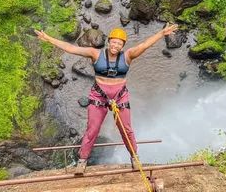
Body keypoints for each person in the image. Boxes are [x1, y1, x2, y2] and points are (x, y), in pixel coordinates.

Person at [34, 23, 179, 174]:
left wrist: (162, 33)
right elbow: (71, 49)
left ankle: (134, 158)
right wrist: (49, 39)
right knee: (92, 130)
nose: (115, 45)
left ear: (122, 45)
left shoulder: (128, 55)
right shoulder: (95, 54)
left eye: (119, 43)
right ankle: (82, 161)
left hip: (120, 96)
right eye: (113, 42)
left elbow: (144, 45)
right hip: (99, 96)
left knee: (127, 129)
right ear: (108, 42)